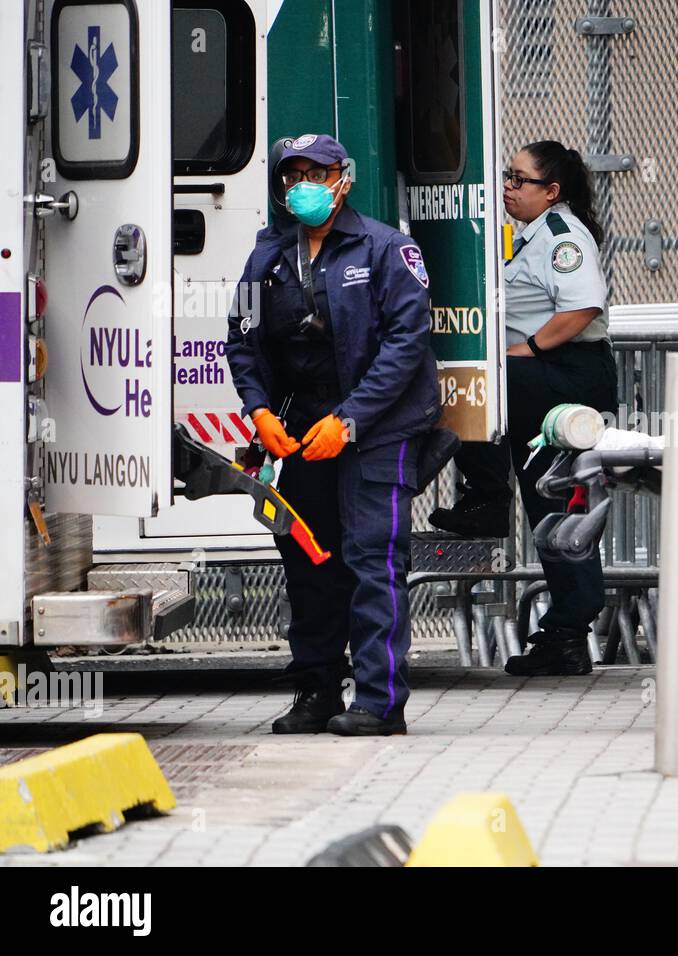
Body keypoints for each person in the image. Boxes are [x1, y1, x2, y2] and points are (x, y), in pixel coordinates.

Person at [226, 133, 440, 736]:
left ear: (342, 178)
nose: (302, 186)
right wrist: (259, 411)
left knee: (372, 561)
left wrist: (349, 420)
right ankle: (315, 693)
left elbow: (405, 345)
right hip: (299, 433)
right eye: (291, 176)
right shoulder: (263, 258)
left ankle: (379, 702)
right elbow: (240, 339)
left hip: (375, 429)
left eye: (315, 174)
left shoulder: (387, 249)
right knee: (308, 562)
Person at [430, 141, 616, 677]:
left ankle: (568, 630)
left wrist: (527, 350)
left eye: (519, 180)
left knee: (557, 505)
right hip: (540, 377)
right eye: (507, 177)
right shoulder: (528, 235)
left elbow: (582, 306)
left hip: (565, 377)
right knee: (543, 498)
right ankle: (487, 500)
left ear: (551, 191)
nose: (508, 188)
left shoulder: (562, 238)